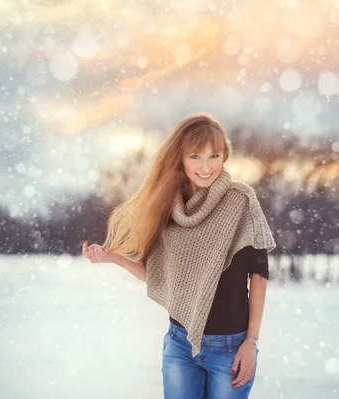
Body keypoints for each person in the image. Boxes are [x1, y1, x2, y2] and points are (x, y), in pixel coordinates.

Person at [82, 113, 276, 398]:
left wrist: (251, 342)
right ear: (181, 159)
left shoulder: (241, 201)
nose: (206, 166)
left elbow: (258, 275)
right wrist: (114, 258)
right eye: (195, 156)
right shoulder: (170, 208)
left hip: (230, 349)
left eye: (214, 156)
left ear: (225, 157)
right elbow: (162, 279)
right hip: (180, 344)